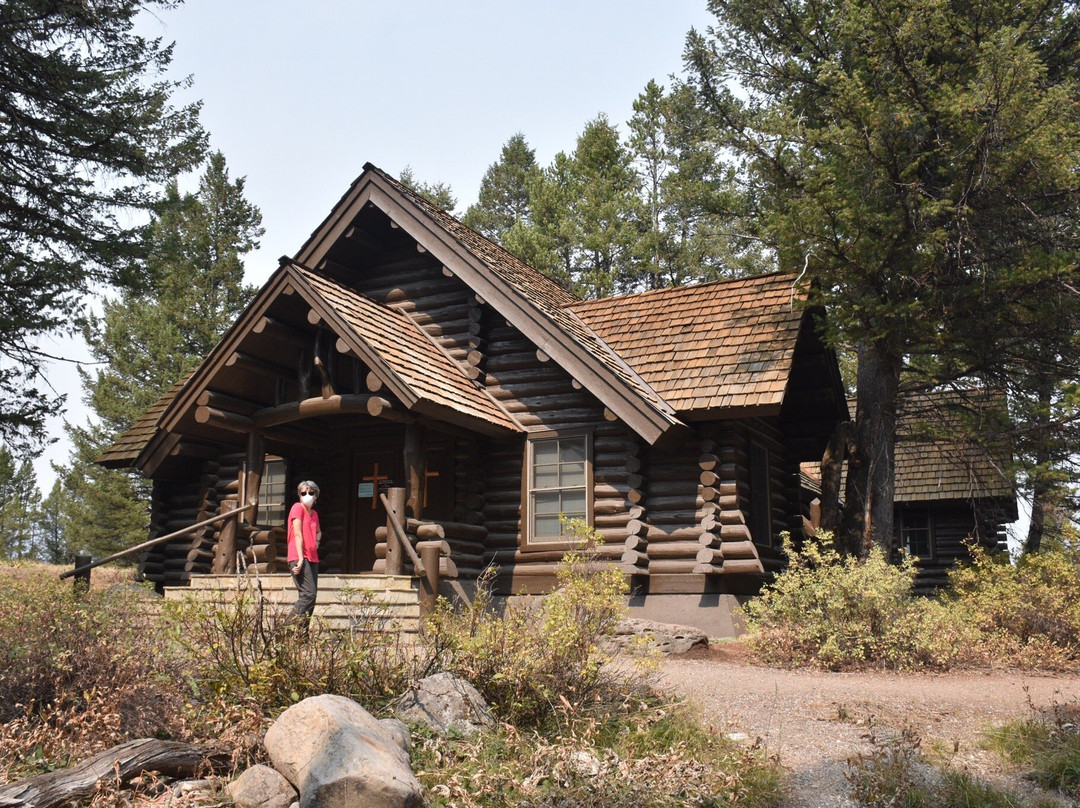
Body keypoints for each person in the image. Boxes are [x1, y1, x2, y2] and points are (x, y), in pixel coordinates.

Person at [288, 480, 321, 626]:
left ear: (316, 496)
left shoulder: (314, 514)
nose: (307, 495)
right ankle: (285, 629)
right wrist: (301, 559)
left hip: (313, 558)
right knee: (309, 594)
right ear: (299, 495)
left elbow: (319, 531)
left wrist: (316, 543)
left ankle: (302, 635)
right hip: (299, 556)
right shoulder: (297, 508)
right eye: (303, 493)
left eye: (310, 493)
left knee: (311, 599)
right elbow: (297, 534)